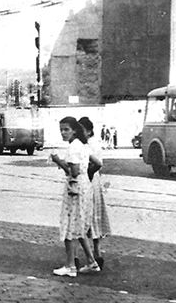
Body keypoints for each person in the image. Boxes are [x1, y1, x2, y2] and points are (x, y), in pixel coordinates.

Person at [50, 116, 100, 277]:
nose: (63, 133)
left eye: (66, 129)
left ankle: (70, 265)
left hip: (75, 188)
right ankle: (92, 262)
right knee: (79, 226)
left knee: (69, 225)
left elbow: (73, 171)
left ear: (74, 130)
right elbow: (97, 163)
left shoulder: (73, 148)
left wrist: (58, 160)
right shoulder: (83, 145)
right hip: (85, 186)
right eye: (61, 130)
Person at [79, 116, 111, 269]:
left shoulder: (89, 145)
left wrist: (88, 175)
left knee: (87, 217)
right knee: (95, 217)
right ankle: (97, 253)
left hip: (90, 180)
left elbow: (97, 164)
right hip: (95, 180)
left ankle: (92, 256)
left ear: (89, 131)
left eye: (82, 130)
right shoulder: (93, 143)